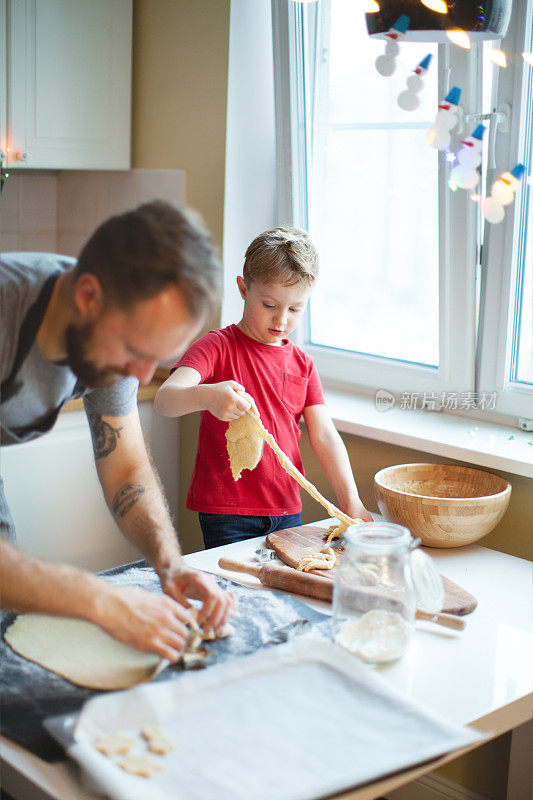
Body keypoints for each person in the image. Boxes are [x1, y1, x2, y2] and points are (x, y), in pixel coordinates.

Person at [0, 200, 236, 662]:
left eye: (158, 357)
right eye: (135, 351)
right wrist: (102, 601)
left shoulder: (116, 328)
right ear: (88, 296)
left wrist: (169, 564)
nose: (143, 376)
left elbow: (125, 466)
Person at [154, 226, 373, 549]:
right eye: (269, 304)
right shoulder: (217, 346)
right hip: (227, 512)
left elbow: (324, 435)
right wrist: (206, 396)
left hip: (286, 509)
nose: (281, 320)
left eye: (295, 309)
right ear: (243, 289)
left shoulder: (303, 364)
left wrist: (351, 501)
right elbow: (165, 400)